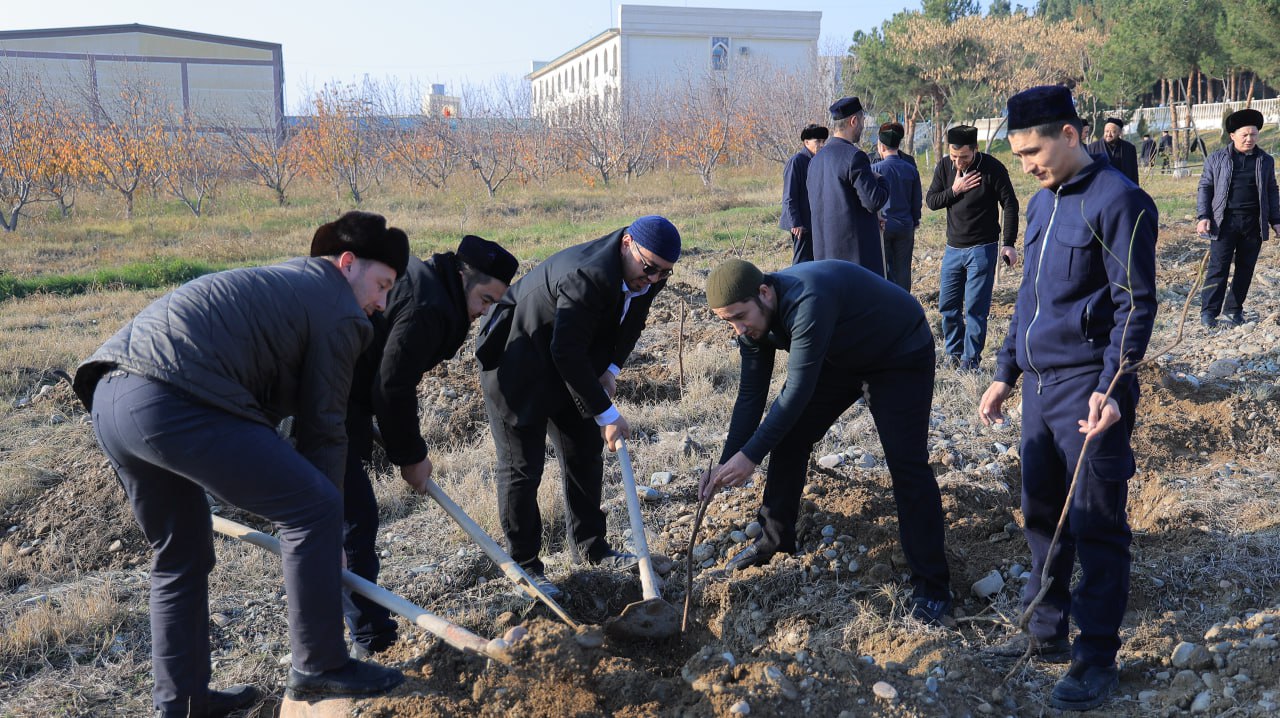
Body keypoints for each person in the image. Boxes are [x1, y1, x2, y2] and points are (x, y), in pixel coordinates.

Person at [72, 211, 411, 716]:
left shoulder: (287, 284)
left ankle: (181, 700)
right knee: (315, 507)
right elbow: (324, 429)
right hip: (172, 397)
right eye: (382, 286)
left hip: (109, 396)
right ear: (346, 263)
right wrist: (328, 533)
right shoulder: (338, 308)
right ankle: (320, 666)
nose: (380, 305)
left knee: (180, 554)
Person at [979, 85, 1158, 712]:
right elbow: (1029, 298)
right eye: (1020, 154)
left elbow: (1133, 304)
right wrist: (1005, 371)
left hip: (1090, 389)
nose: (1026, 164)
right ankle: (1045, 630)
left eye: (1033, 151)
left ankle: (1096, 658)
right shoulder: (1038, 205)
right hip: (1038, 388)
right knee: (1042, 515)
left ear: (1070, 134)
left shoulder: (1120, 202)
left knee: (1096, 523)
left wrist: (1111, 390)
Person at [699, 258, 953, 623]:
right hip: (840, 355)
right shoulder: (753, 325)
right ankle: (775, 541)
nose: (739, 329)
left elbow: (797, 391)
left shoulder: (808, 299)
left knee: (906, 462)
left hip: (898, 352)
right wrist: (727, 461)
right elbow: (751, 395)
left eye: (741, 317)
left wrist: (751, 455)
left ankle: (933, 587)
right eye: (729, 322)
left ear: (765, 293)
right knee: (789, 439)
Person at [332, 234, 517, 658]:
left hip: (345, 394)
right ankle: (372, 643)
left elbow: (381, 370)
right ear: (464, 275)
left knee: (348, 520)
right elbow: (392, 387)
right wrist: (411, 457)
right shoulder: (431, 309)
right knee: (354, 523)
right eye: (485, 299)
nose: (483, 311)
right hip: (331, 400)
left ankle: (365, 635)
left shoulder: (428, 282)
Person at [476, 215, 681, 597]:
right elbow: (565, 351)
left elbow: (633, 320)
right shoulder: (586, 274)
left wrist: (611, 370)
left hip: (569, 363)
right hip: (516, 362)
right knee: (523, 468)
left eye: (663, 274)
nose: (653, 280)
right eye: (649, 268)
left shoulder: (647, 275)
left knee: (585, 452)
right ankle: (525, 567)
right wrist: (607, 414)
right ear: (626, 243)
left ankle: (591, 548)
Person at [925, 125, 1020, 372]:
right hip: (952, 249)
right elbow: (932, 201)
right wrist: (955, 190)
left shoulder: (993, 168)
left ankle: (970, 360)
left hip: (982, 248)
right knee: (948, 306)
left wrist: (1009, 243)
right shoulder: (945, 167)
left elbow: (1010, 204)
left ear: (975, 150)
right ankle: (954, 353)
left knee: (976, 308)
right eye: (954, 156)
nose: (958, 162)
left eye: (964, 157)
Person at [1195, 108, 1280, 327]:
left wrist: (1276, 221)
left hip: (1253, 223)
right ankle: (1209, 312)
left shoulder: (1266, 160)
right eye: (1245, 135)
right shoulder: (1217, 158)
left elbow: (1272, 189)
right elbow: (1205, 187)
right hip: (1223, 222)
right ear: (1232, 136)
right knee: (1218, 268)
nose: (1250, 139)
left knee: (1245, 269)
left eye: (1253, 134)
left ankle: (1233, 310)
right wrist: (1203, 216)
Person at [807, 96, 889, 274]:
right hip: (855, 262)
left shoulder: (815, 160)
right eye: (862, 121)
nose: (863, 126)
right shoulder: (854, 156)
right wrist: (881, 179)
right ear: (854, 120)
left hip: (823, 258)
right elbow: (874, 201)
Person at [871, 121, 922, 291]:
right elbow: (916, 199)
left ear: (881, 146)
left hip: (882, 226)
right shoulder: (910, 168)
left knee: (884, 269)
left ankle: (887, 304)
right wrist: (915, 219)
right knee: (903, 269)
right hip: (905, 226)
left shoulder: (874, 168)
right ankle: (904, 304)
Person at [779, 123, 828, 264]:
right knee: (802, 261)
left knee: (816, 260)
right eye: (817, 141)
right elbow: (789, 196)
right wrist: (796, 223)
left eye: (823, 141)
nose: (821, 145)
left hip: (815, 221)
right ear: (806, 142)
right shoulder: (796, 161)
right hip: (801, 223)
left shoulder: (819, 160)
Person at [1087, 117, 1140, 186]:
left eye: (1113, 132)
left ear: (1119, 133)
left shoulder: (1129, 148)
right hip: (1101, 190)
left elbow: (1134, 174)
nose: (1109, 134)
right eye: (1106, 131)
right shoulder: (1092, 148)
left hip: (1123, 189)